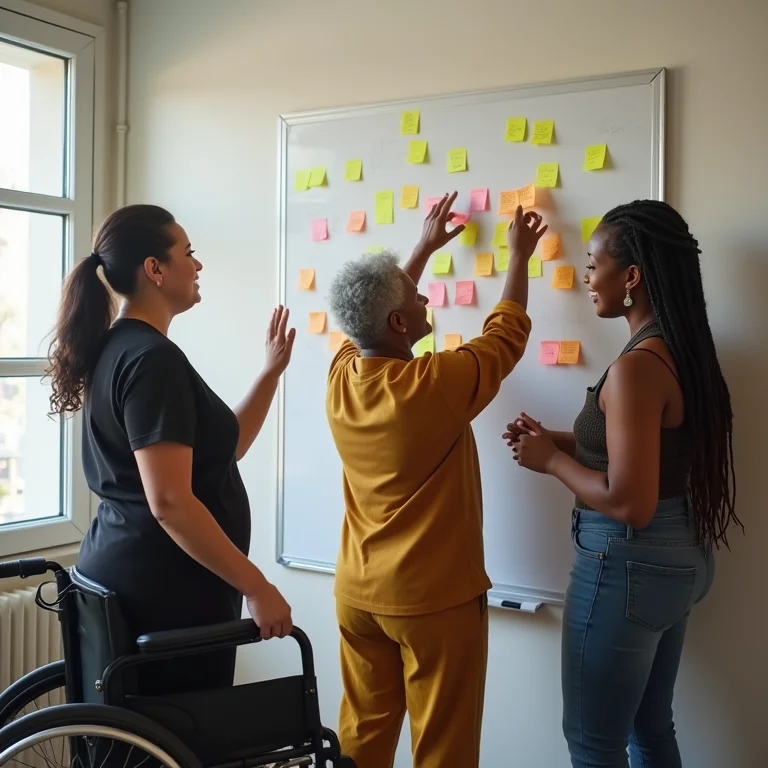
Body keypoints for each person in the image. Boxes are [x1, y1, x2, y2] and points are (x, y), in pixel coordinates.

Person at [503, 200, 741, 768]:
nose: (587, 278)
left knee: (593, 745)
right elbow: (638, 451)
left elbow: (630, 502)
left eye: (592, 263)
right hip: (679, 555)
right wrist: (559, 441)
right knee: (650, 729)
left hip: (628, 561)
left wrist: (550, 463)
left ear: (630, 276)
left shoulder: (637, 366)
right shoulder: (680, 348)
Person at [325, 193, 547, 768]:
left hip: (357, 594)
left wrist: (423, 246)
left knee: (361, 739)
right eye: (414, 298)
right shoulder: (432, 385)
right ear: (400, 322)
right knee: (443, 746)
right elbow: (505, 335)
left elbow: (369, 315)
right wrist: (518, 255)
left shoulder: (341, 375)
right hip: (432, 602)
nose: (424, 297)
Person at [47, 204, 294, 696]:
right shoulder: (152, 360)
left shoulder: (119, 348)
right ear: (154, 270)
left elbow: (223, 453)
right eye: (188, 253)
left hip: (129, 572)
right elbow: (171, 502)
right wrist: (256, 586)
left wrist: (269, 374)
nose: (198, 265)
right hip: (165, 593)